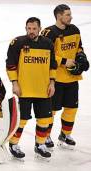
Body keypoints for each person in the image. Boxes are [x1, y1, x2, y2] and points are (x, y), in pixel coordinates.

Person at [6, 17, 57, 160]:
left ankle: (40, 144)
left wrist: (52, 83)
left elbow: (53, 65)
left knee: (44, 119)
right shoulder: (18, 43)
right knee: (21, 120)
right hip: (24, 90)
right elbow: (10, 64)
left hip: (43, 89)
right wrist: (14, 83)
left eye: (34, 29)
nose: (31, 31)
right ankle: (13, 144)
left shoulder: (47, 43)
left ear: (39, 29)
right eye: (29, 28)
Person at [41, 4, 89, 150]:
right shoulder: (49, 33)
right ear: (59, 16)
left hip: (72, 79)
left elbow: (79, 47)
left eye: (70, 14)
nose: (71, 17)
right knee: (52, 110)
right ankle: (46, 135)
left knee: (71, 108)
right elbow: (44, 53)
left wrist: (81, 56)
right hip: (55, 79)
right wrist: (63, 61)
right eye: (67, 14)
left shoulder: (75, 29)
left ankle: (65, 134)